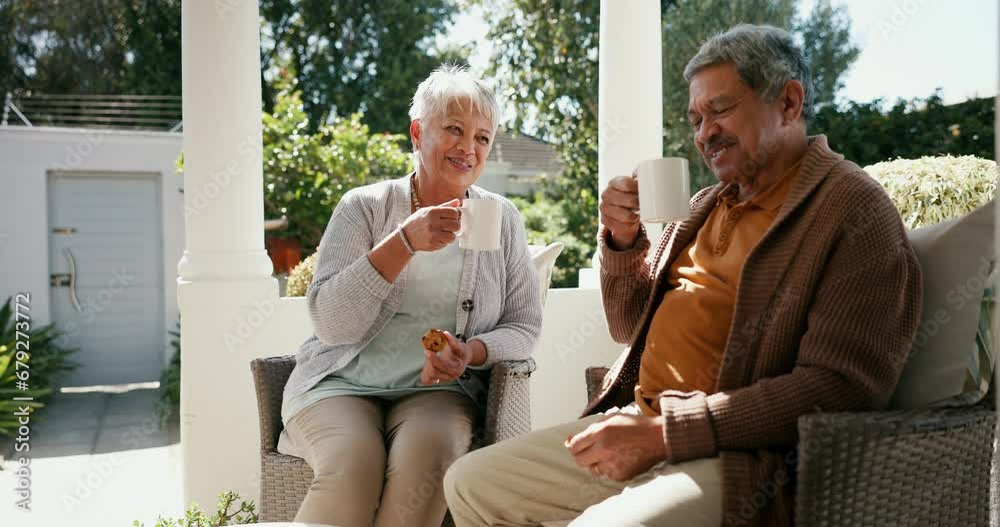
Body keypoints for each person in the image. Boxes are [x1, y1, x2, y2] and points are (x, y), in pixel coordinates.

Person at [443, 24, 921, 527]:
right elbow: (629, 329)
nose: (703, 133)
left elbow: (841, 388)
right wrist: (622, 243)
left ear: (789, 102)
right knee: (468, 482)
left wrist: (668, 434)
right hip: (637, 424)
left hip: (740, 459)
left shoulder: (850, 209)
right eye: (695, 118)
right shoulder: (706, 205)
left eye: (719, 110)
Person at [278, 64, 543, 526]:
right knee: (353, 465)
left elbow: (524, 326)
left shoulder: (501, 218)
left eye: (483, 137)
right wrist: (402, 242)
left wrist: (472, 351)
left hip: (437, 392)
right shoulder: (363, 207)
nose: (469, 147)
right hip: (340, 382)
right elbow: (331, 324)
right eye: (454, 130)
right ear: (418, 132)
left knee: (432, 457)